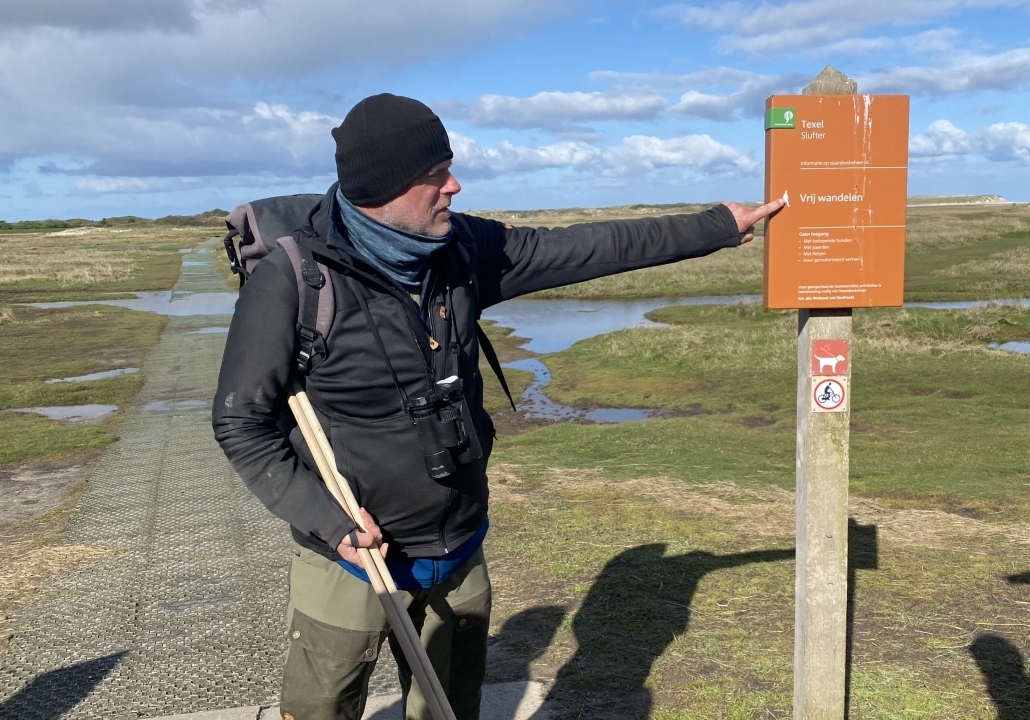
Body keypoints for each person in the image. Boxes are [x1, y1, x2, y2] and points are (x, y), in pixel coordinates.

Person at [212, 93, 783, 720]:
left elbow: (589, 247)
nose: (454, 186)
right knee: (323, 709)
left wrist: (717, 226)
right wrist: (331, 523)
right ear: (384, 187)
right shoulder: (295, 282)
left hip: (459, 543)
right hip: (349, 558)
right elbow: (241, 421)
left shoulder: (463, 251)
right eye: (436, 176)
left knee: (450, 708)